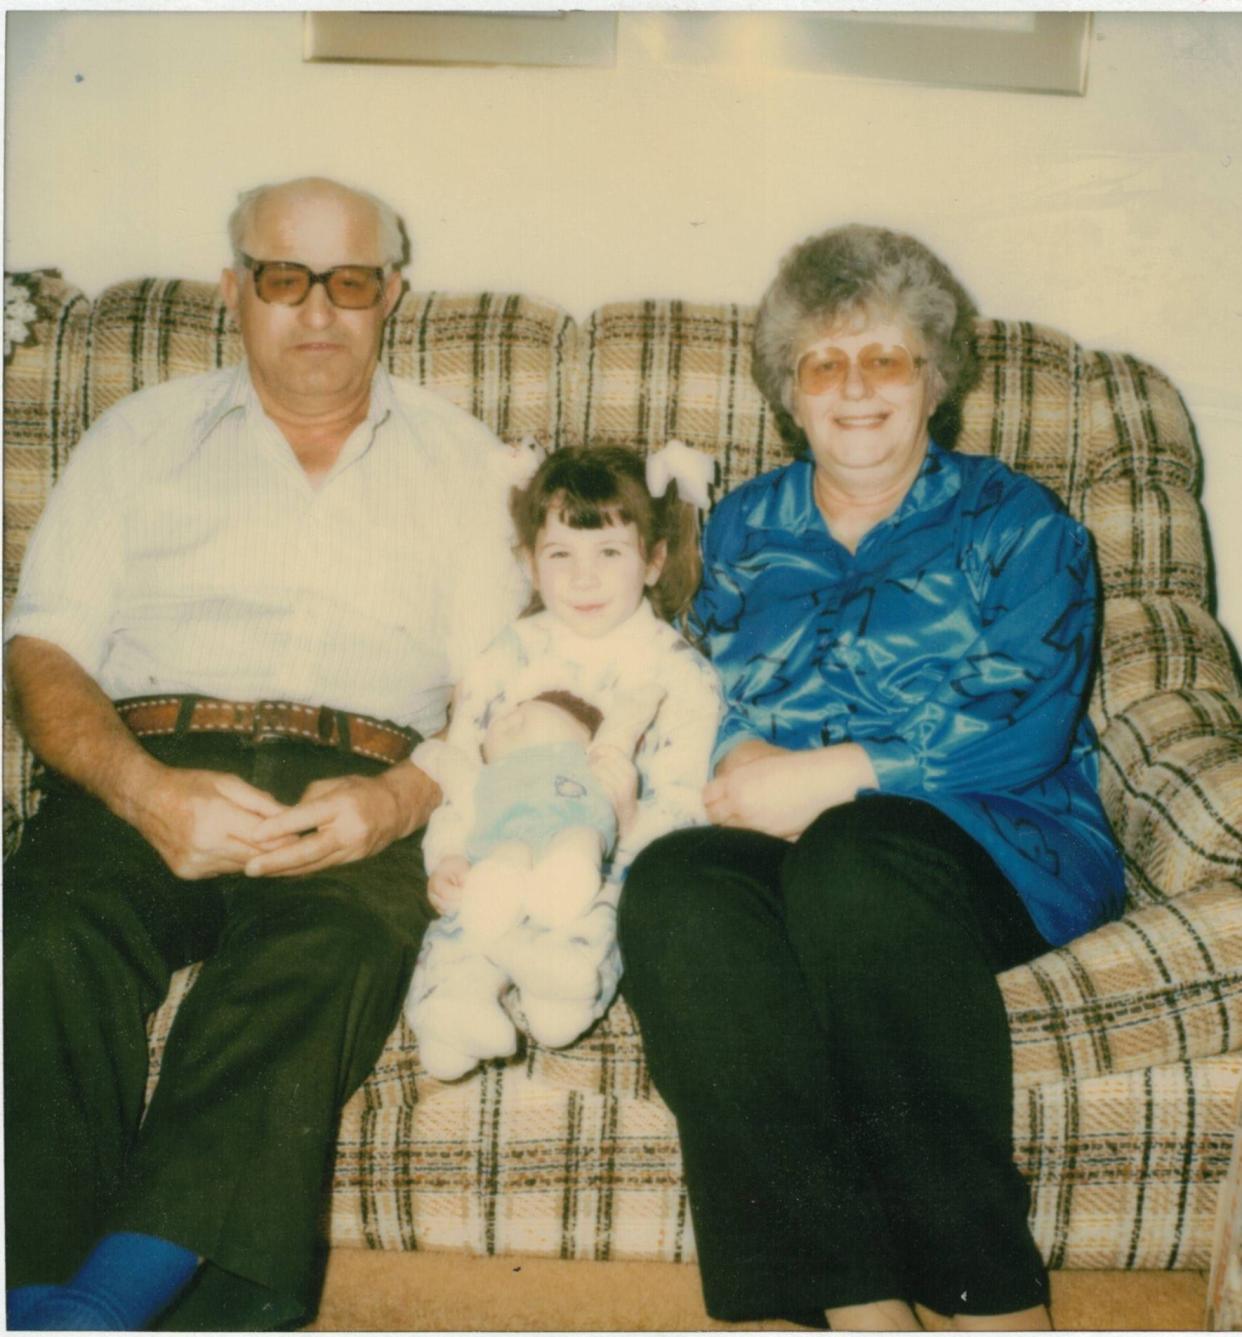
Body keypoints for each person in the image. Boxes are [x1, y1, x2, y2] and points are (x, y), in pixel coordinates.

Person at [3, 177, 527, 1330]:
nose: (318, 311)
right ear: (234, 286)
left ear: (392, 292)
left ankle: (97, 1309)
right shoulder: (138, 436)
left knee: (321, 958)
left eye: (349, 281)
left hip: (358, 791)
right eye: (284, 278)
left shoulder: (467, 464)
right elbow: (41, 648)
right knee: (37, 939)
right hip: (151, 763)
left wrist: (398, 800)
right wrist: (141, 789)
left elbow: (507, 691)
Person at [617, 225, 1126, 1332]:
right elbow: (676, 677)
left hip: (995, 833)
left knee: (855, 860)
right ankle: (855, 1301)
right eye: (824, 363)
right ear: (789, 392)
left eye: (886, 358)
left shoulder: (1020, 524)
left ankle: (988, 1297)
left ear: (933, 381)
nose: (856, 388)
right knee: (676, 891)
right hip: (779, 836)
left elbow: (1021, 722)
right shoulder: (741, 529)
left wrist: (836, 776)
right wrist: (730, 753)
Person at [407, 444, 723, 1081]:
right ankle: (452, 1011)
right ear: (529, 563)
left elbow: (686, 799)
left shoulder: (677, 672)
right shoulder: (507, 654)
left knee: (593, 910)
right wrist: (447, 855)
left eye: (610, 553)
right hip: (498, 841)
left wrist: (630, 819)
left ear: (654, 560)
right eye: (560, 556)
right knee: (463, 917)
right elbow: (462, 767)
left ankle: (562, 988)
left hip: (601, 854)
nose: (584, 580)